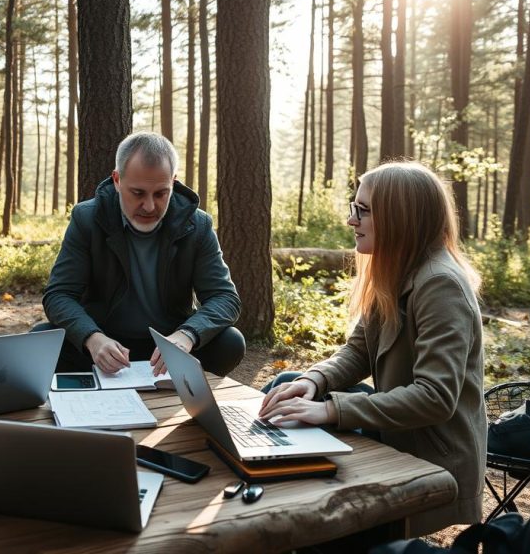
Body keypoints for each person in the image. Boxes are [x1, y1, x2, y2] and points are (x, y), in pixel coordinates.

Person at [259, 162, 486, 537]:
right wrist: (314, 382)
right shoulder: (395, 268)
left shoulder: (440, 285)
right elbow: (358, 351)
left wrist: (331, 409)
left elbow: (435, 397)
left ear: (400, 218)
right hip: (396, 431)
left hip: (432, 453)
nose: (351, 220)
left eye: (362, 210)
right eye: (354, 207)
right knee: (288, 381)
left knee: (327, 514)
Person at [36, 131, 244, 377]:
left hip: (168, 348)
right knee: (41, 339)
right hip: (105, 347)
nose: (149, 206)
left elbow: (225, 298)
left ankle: (176, 395)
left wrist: (186, 336)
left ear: (173, 183)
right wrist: (93, 339)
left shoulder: (197, 226)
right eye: (138, 193)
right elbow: (58, 294)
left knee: (230, 342)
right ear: (117, 180)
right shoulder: (87, 219)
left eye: (160, 193)